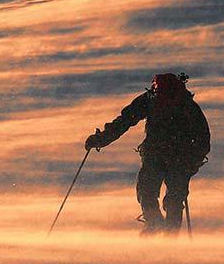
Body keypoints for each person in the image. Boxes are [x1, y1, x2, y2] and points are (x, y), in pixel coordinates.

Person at [85, 73, 210, 236]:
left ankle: (154, 224)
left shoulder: (150, 100)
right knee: (174, 198)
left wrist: (101, 139)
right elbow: (203, 139)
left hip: (156, 155)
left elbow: (125, 121)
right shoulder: (187, 105)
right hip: (179, 159)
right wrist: (192, 161)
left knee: (147, 191)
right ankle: (169, 236)